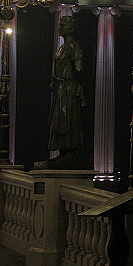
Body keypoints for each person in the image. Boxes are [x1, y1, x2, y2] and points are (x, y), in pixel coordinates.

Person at [48, 15, 86, 161]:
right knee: (60, 119)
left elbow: (79, 69)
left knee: (68, 118)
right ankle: (63, 149)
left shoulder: (74, 47)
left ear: (70, 28)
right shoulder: (63, 47)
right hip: (61, 88)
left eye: (62, 24)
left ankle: (70, 150)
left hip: (68, 89)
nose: (59, 27)